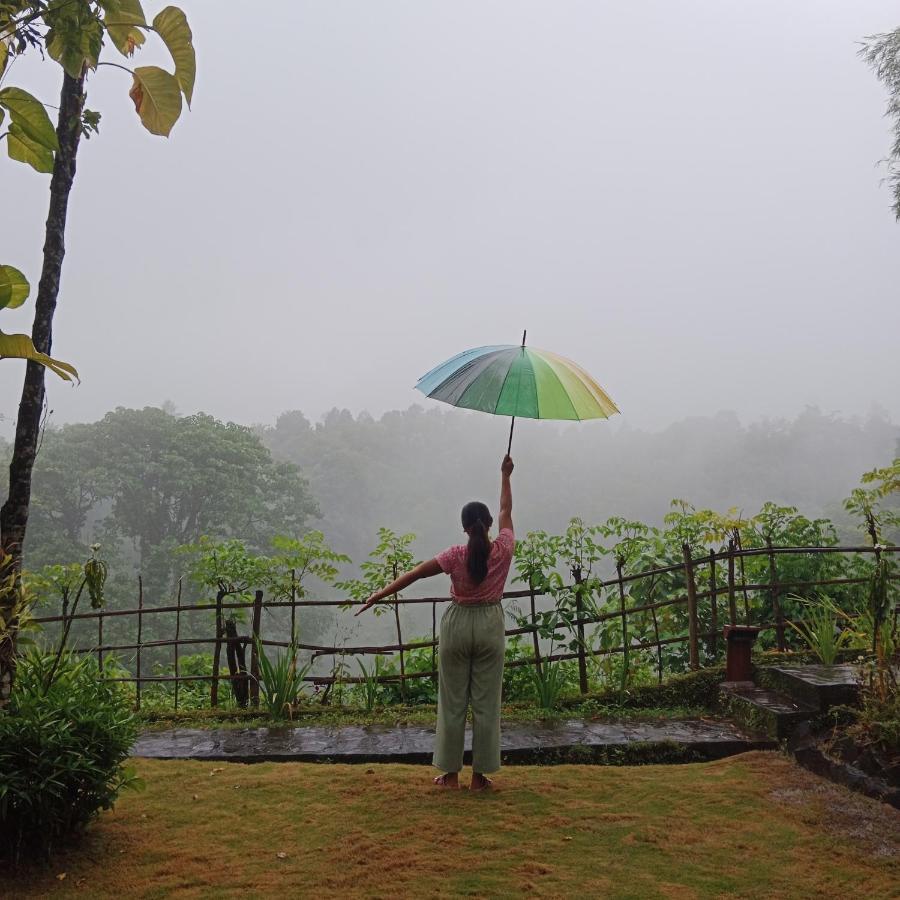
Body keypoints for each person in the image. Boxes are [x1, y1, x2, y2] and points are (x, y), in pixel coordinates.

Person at [355, 453, 515, 790]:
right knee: (487, 703)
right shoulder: (502, 549)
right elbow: (506, 512)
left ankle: (450, 775)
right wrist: (505, 475)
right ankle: (480, 776)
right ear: (488, 526)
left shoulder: (454, 555)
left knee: (453, 701)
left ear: (464, 528)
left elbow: (413, 575)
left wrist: (377, 596)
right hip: (489, 625)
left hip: (456, 626)